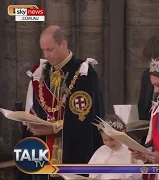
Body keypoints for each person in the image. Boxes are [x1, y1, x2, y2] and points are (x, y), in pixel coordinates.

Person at [21, 25, 105, 180]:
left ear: (63, 44)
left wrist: (55, 128)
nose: (46, 55)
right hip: (44, 156)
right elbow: (37, 112)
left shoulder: (84, 74)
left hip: (73, 154)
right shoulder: (42, 74)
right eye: (43, 50)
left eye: (50, 50)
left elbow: (88, 120)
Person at [88, 114, 142, 180]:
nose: (109, 143)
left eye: (112, 139)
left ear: (122, 134)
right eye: (105, 140)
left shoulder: (132, 152)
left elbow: (139, 175)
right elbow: (92, 174)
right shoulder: (101, 150)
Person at [138, 35, 159, 121]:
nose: (152, 67)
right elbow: (142, 105)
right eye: (150, 62)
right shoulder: (146, 75)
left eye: (155, 63)